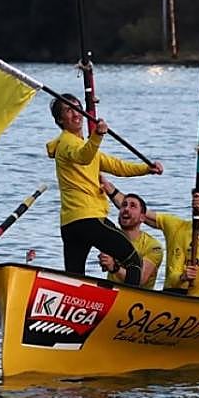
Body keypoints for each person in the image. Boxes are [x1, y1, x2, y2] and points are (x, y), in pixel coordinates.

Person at [46, 95, 163, 283]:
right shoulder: (67, 142)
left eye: (78, 108)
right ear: (60, 120)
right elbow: (83, 157)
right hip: (88, 218)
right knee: (133, 260)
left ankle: (75, 300)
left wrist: (146, 169)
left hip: (70, 224)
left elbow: (118, 167)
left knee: (75, 276)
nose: (76, 114)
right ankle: (130, 298)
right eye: (69, 110)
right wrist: (97, 135)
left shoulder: (84, 146)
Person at [97, 185, 162, 287]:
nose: (126, 209)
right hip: (111, 292)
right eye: (124, 205)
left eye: (133, 206)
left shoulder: (153, 246)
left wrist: (114, 268)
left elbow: (141, 280)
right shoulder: (111, 237)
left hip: (137, 296)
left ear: (142, 217)